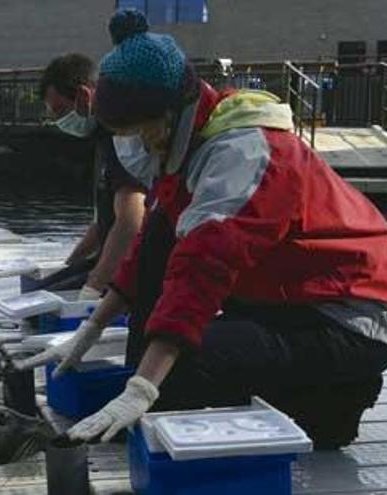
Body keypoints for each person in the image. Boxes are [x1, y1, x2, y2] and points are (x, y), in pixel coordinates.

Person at [20, 9, 387, 450]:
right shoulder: (194, 136)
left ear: (169, 115)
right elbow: (152, 246)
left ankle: (337, 398)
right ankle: (289, 396)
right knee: (160, 245)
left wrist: (141, 390)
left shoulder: (244, 154)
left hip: (344, 317)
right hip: (285, 299)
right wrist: (88, 331)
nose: (135, 146)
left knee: (186, 366)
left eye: (138, 133)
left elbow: (203, 266)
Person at [39, 54, 148, 299]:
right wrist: (69, 266)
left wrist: (93, 287)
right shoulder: (103, 139)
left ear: (83, 96)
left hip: (134, 269)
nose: (57, 120)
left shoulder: (123, 137)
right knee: (38, 293)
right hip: (110, 260)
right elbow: (101, 226)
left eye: (60, 110)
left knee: (39, 307)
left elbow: (131, 220)